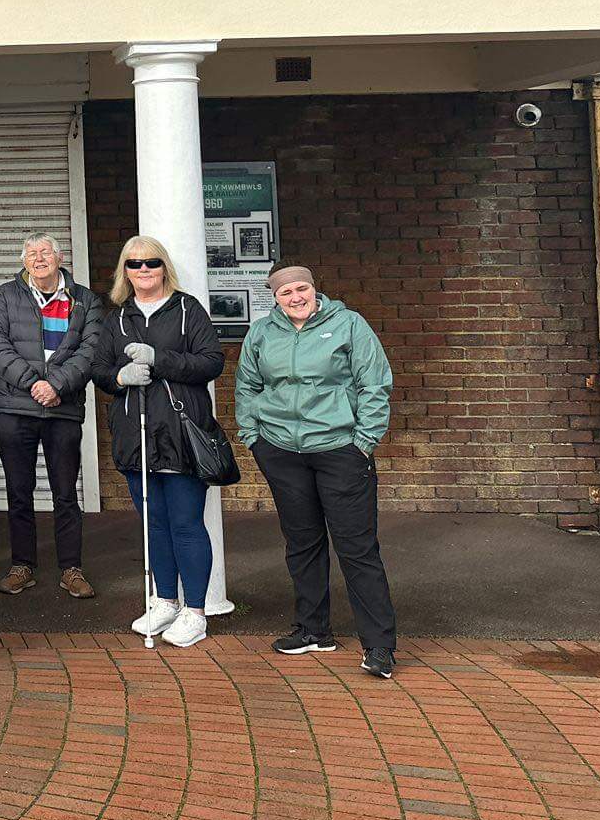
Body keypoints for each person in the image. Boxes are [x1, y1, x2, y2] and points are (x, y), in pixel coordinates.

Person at [235, 264, 398, 679]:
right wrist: (253, 437)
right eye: (285, 291)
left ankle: (379, 645)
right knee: (302, 543)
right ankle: (312, 630)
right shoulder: (262, 333)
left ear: (314, 289)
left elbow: (375, 384)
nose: (295, 297)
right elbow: (247, 386)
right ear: (274, 297)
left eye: (301, 288)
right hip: (282, 452)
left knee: (356, 548)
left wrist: (363, 443)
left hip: (339, 449)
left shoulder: (348, 324)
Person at [90, 236, 225, 649]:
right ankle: (165, 601)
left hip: (181, 434)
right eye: (134, 264)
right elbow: (98, 369)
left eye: (151, 263)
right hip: (136, 437)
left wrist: (158, 359)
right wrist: (119, 377)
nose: (143, 271)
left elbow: (211, 361)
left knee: (185, 524)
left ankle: (196, 611)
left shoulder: (187, 310)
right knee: (155, 525)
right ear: (124, 272)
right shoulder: (118, 319)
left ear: (163, 266)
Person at [0, 234, 105, 600]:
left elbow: (91, 350)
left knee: (65, 493)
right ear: (24, 261)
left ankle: (71, 569)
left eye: (45, 252)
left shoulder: (85, 300)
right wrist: (33, 383)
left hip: (63, 409)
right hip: (15, 408)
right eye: (32, 254)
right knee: (19, 492)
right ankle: (23, 566)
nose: (39, 259)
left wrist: (55, 385)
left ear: (60, 257)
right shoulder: (6, 295)